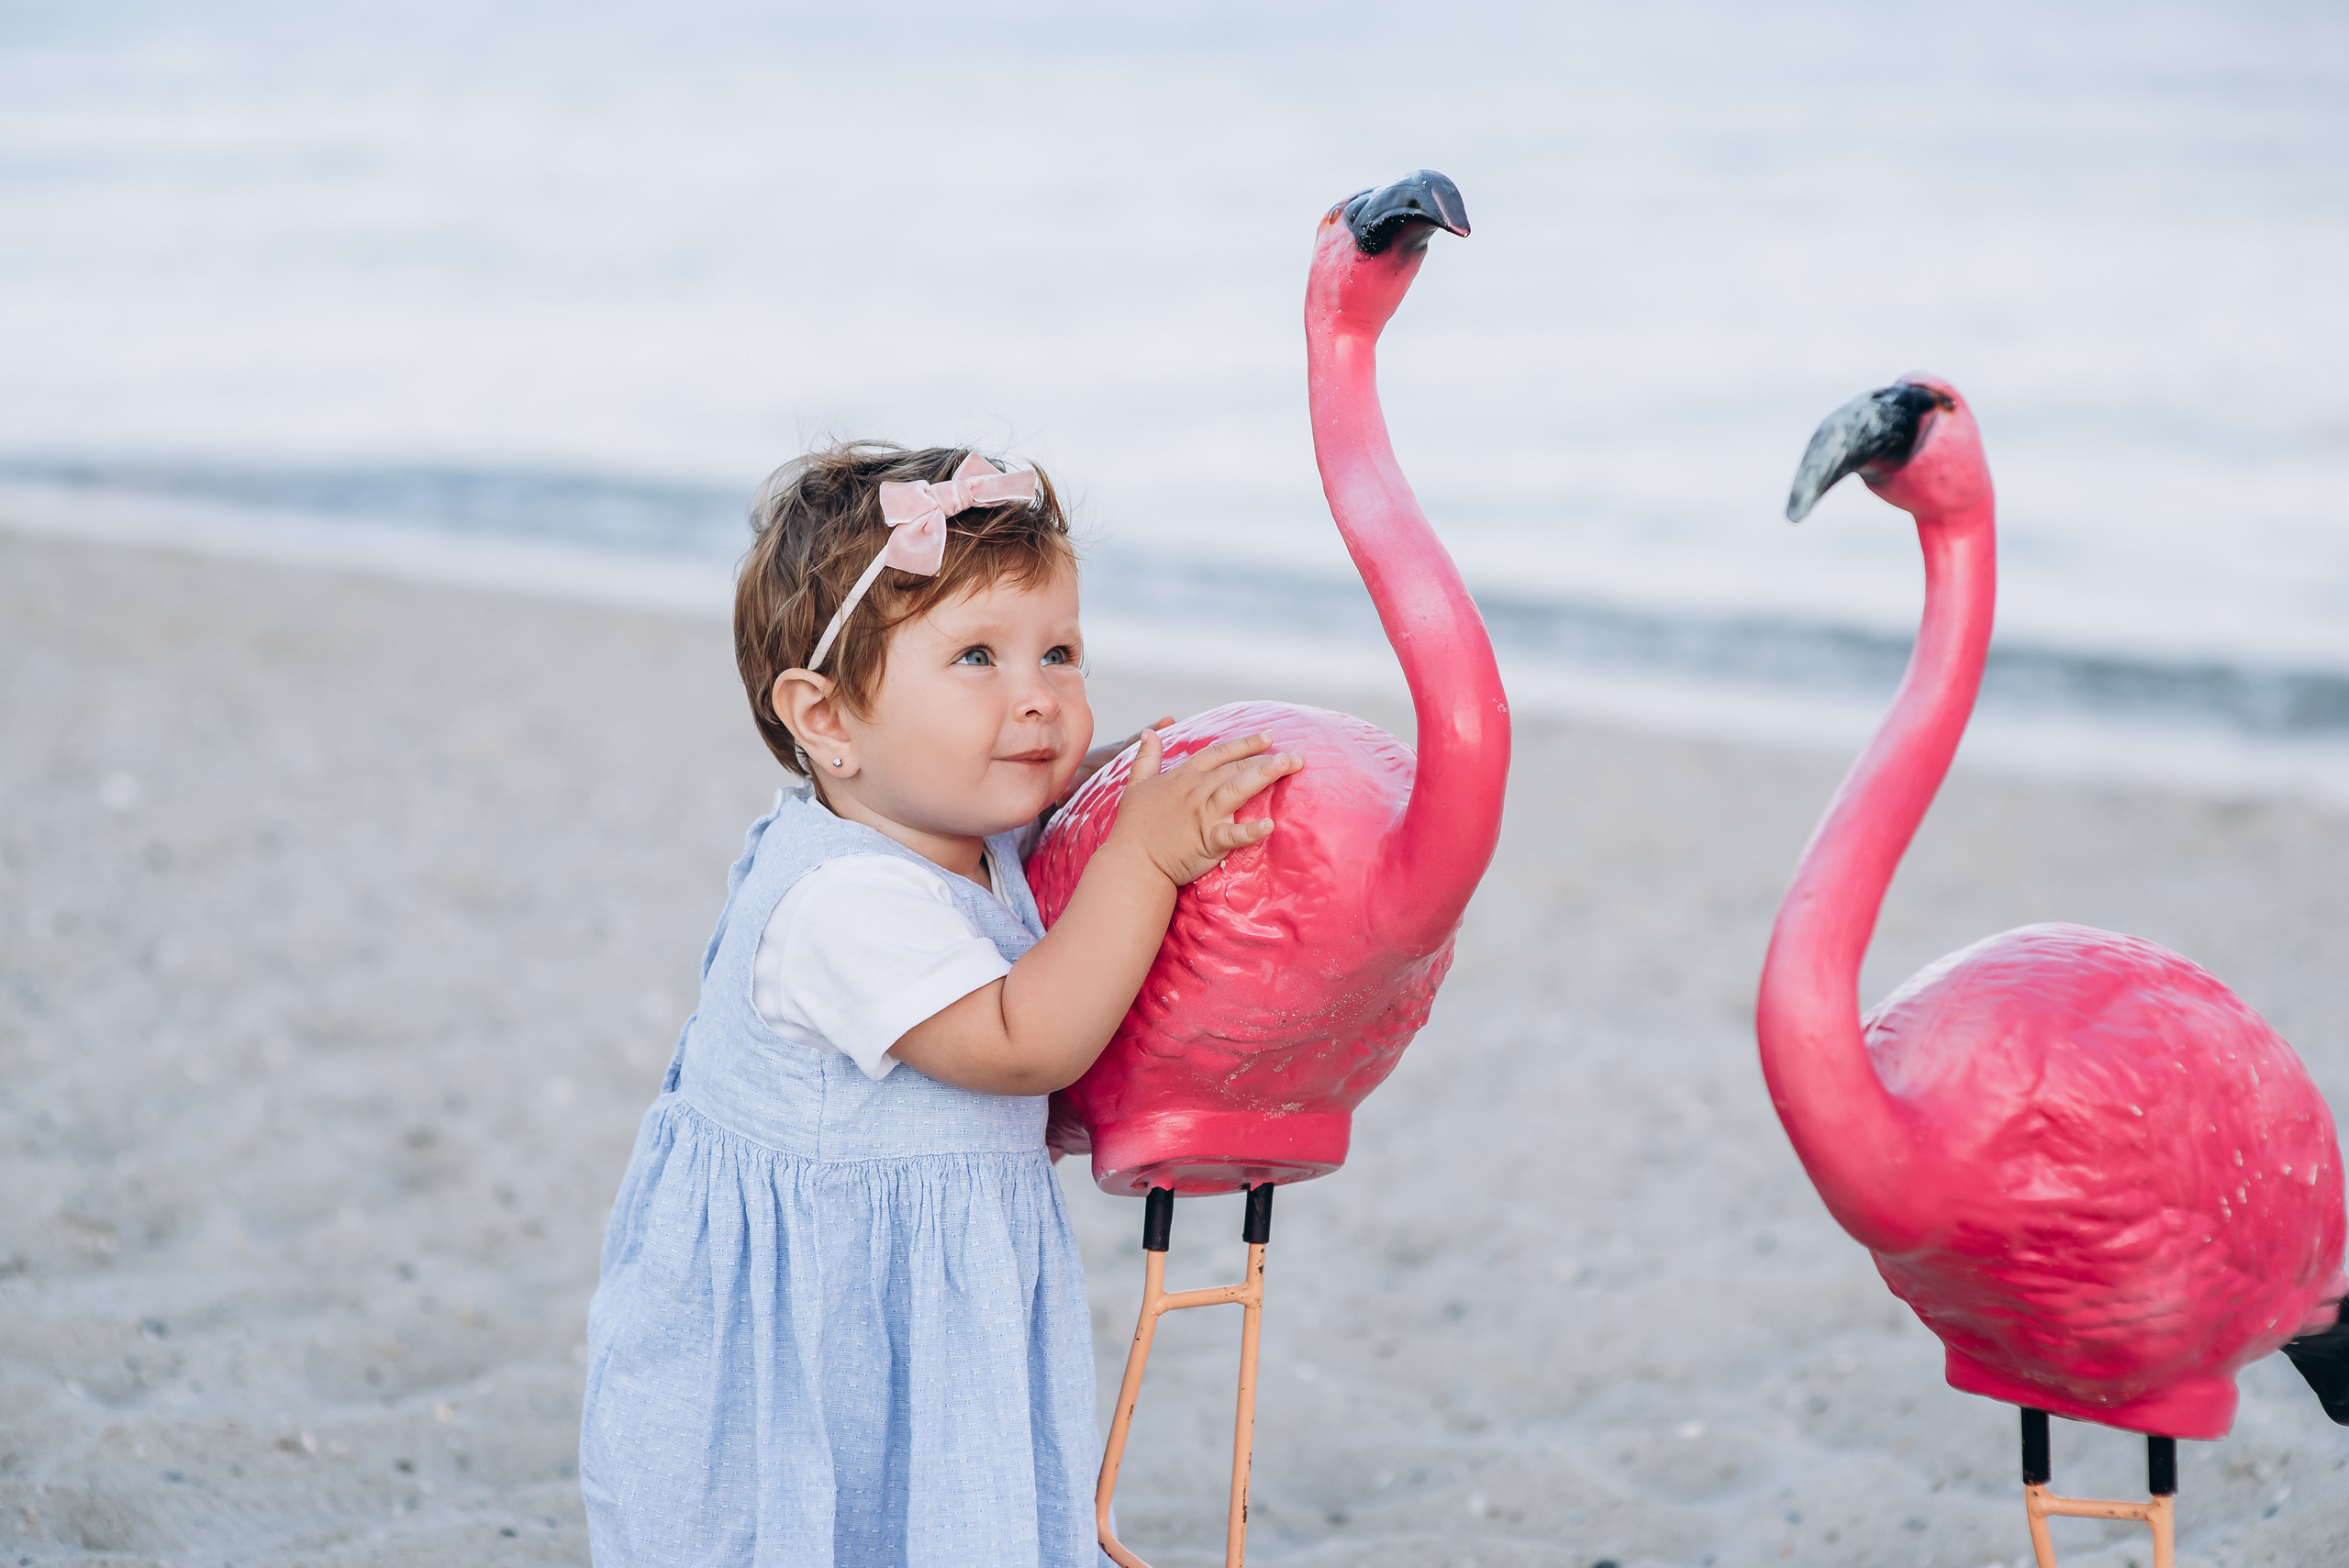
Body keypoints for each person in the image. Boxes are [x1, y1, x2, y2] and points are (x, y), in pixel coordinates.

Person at [578, 442, 1301, 1566]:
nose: (1039, 697)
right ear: (825, 719)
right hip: (817, 1322)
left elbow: (1075, 827)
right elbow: (1026, 1040)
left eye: (1060, 652)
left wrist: (1136, 788)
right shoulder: (841, 900)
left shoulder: (970, 830)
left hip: (928, 1287)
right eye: (977, 655)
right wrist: (1146, 858)